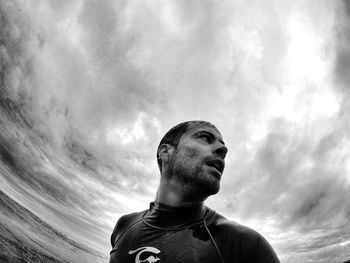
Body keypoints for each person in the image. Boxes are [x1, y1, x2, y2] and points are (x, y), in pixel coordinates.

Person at [109, 120, 280, 263]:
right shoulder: (124, 226)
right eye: (205, 138)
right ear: (165, 152)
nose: (223, 150)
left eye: (223, 146)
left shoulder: (245, 246)